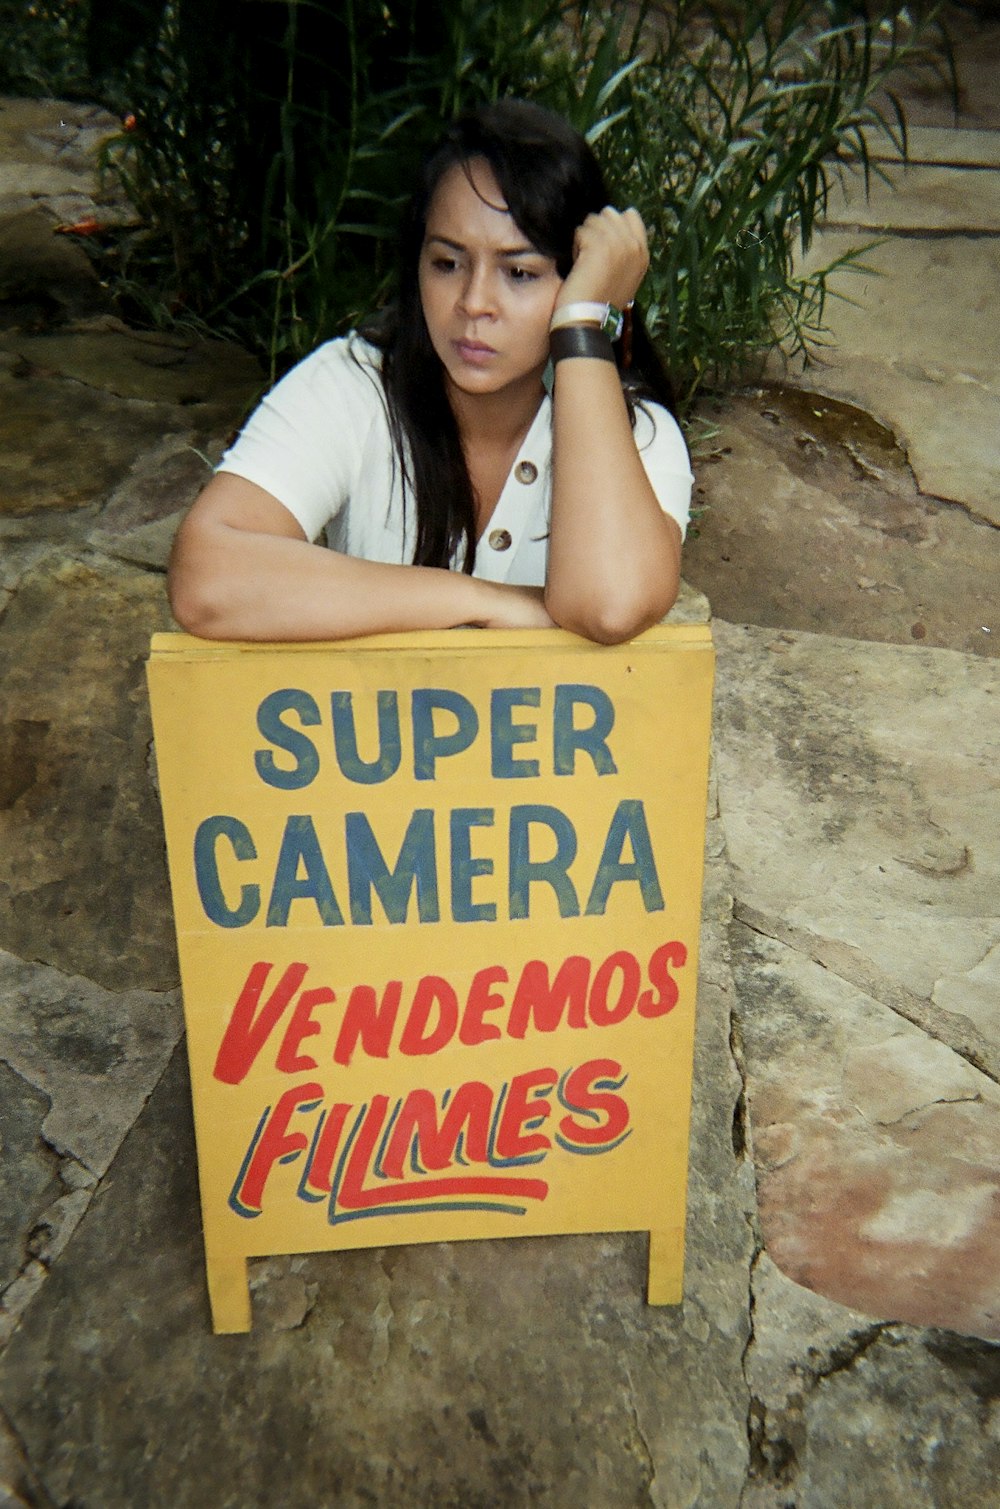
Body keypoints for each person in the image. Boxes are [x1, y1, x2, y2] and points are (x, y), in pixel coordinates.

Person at [167, 99, 693, 646]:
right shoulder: (355, 387)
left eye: (519, 272)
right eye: (447, 263)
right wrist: (482, 602)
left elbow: (610, 608)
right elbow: (206, 580)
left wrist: (583, 323)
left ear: (578, 277)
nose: (474, 302)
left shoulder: (634, 434)